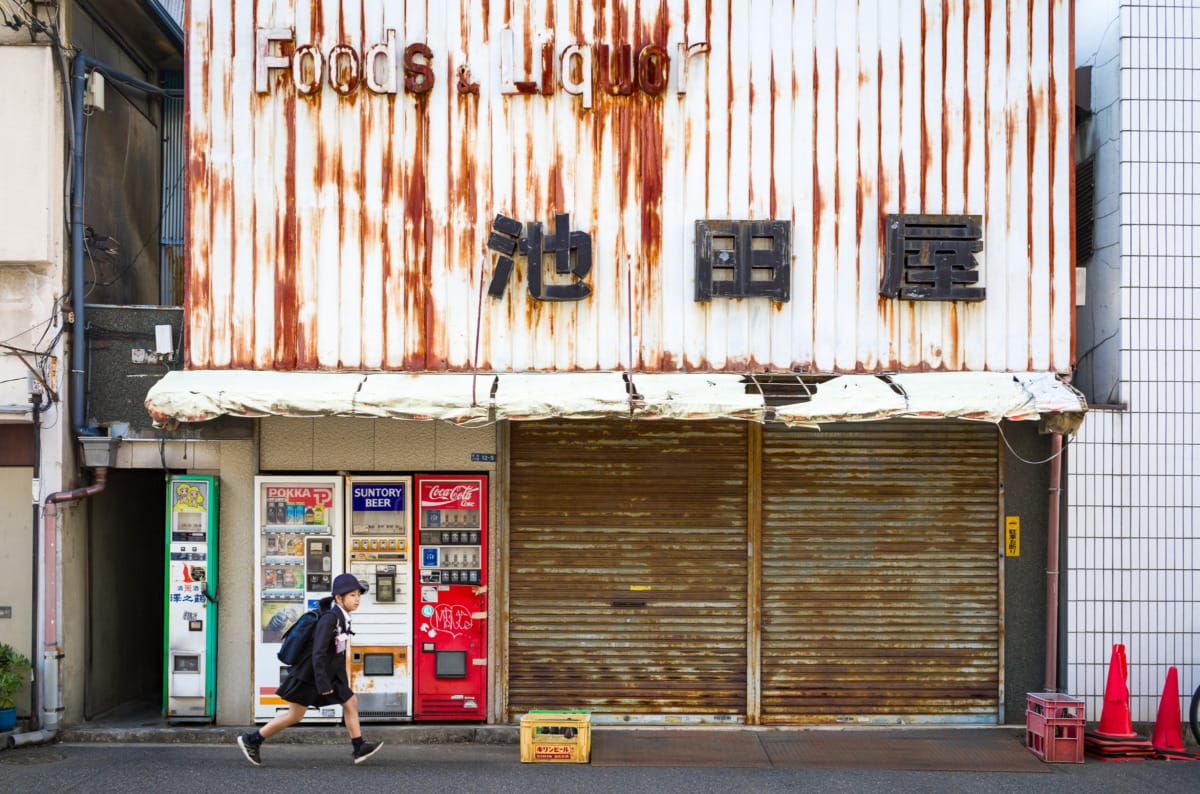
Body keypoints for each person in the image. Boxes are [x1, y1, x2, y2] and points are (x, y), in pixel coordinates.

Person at [237, 573, 383, 766]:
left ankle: (359, 747)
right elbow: (319, 653)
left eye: (358, 595)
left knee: (351, 702)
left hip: (329, 674)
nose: (357, 600)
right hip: (311, 675)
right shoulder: (330, 619)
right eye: (352, 595)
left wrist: (339, 680)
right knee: (295, 715)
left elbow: (335, 653)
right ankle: (252, 740)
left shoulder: (342, 617)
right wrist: (323, 682)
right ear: (339, 598)